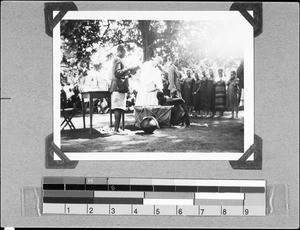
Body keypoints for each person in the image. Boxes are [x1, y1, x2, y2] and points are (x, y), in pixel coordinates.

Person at [110, 45, 139, 135]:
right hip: (118, 87)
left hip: (120, 88)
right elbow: (117, 73)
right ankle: (116, 129)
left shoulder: (119, 60)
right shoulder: (118, 60)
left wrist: (131, 72)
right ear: (120, 51)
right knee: (118, 108)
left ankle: (117, 128)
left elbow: (122, 75)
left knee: (120, 108)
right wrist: (129, 69)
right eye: (124, 52)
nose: (125, 54)